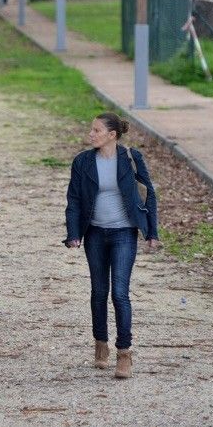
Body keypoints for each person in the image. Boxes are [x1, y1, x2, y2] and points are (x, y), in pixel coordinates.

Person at [64, 112, 158, 380]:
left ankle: (124, 353)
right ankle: (100, 344)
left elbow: (149, 193)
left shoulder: (131, 158)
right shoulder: (82, 161)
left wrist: (152, 231)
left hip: (124, 233)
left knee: (120, 293)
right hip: (94, 233)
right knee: (98, 292)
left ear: (111, 135)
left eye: (96, 131)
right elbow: (74, 199)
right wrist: (73, 233)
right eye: (91, 130)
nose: (90, 134)